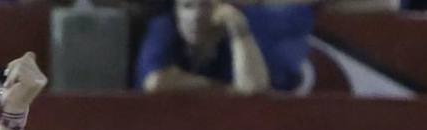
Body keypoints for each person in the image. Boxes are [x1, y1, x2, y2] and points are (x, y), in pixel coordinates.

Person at [135, 0, 315, 94]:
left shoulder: (235, 32)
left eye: (206, 5)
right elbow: (156, 82)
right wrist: (225, 90)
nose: (195, 16)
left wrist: (238, 27)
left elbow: (254, 89)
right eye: (187, 6)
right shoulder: (164, 27)